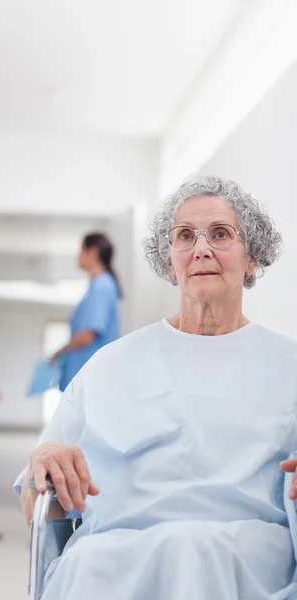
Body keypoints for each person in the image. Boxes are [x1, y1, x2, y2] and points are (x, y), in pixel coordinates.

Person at [16, 175, 297, 599]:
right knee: (88, 563)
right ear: (170, 262)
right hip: (111, 549)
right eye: (185, 236)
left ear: (252, 256)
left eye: (220, 234)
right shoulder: (110, 364)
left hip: (238, 552)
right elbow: (40, 478)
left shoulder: (287, 365)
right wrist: (44, 463)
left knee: (189, 548)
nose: (201, 248)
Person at [51, 232, 121, 392]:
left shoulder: (102, 286)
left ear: (93, 252)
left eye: (81, 250)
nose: (78, 256)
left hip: (92, 375)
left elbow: (88, 334)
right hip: (87, 374)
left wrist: (59, 352)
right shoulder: (96, 286)